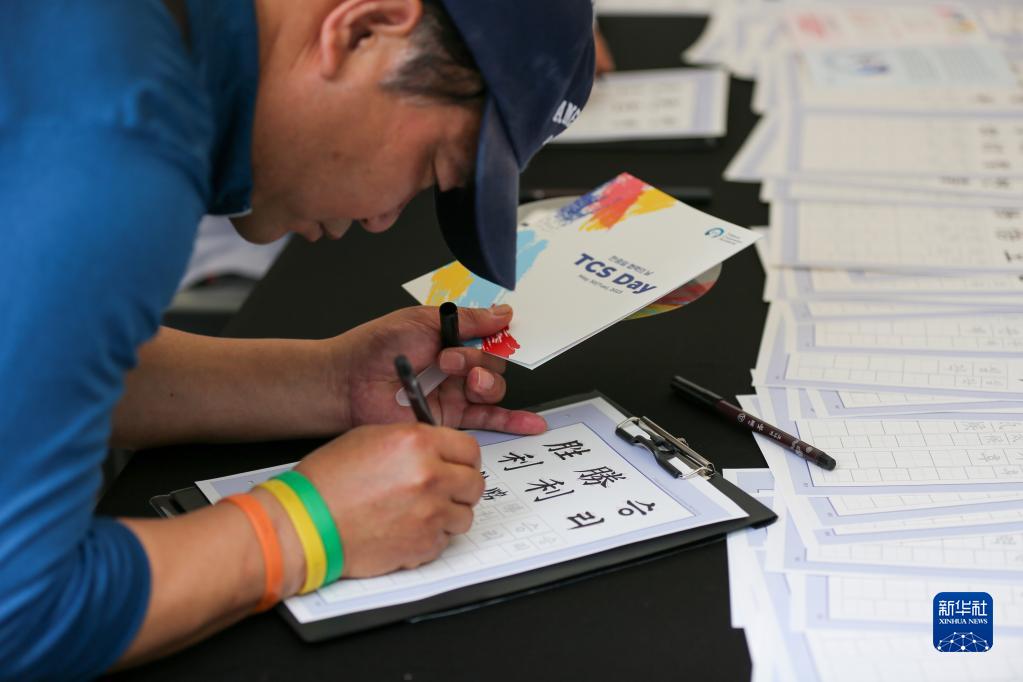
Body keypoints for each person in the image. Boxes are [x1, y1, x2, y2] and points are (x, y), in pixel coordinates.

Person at [0, 0, 594, 677]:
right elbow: (18, 610)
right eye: (429, 165)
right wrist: (309, 524)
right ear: (363, 29)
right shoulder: (112, 141)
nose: (381, 218)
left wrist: (330, 383)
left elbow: (37, 371)